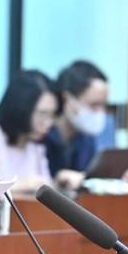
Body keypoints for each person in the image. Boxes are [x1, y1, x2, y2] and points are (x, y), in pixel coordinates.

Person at [44, 60, 110, 190]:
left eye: (104, 105)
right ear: (68, 98)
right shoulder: (40, 134)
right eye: (94, 105)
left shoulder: (86, 138)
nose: (101, 112)